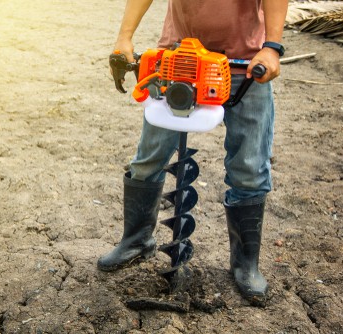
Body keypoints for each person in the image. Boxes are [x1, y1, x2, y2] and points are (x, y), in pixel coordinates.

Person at [98, 0, 288, 304]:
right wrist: (124, 37)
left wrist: (272, 46)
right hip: (178, 58)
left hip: (246, 63)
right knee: (148, 159)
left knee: (250, 168)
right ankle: (136, 240)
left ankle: (245, 264)